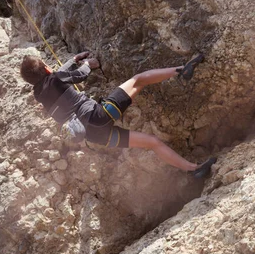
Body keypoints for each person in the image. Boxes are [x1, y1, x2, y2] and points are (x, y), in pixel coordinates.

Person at [20, 51, 216, 178]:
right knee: (138, 80)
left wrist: (72, 61)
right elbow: (78, 76)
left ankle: (194, 169)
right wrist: (88, 63)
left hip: (95, 135)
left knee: (152, 142)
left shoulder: (39, 95)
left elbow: (56, 77)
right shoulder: (54, 78)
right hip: (98, 114)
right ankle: (181, 70)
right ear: (47, 68)